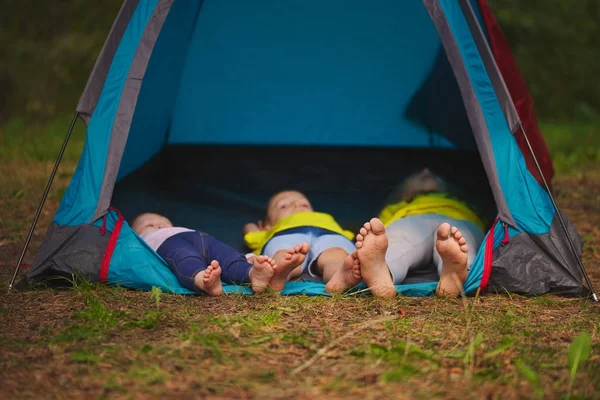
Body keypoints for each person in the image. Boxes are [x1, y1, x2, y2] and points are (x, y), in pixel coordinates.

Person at [354, 168, 486, 298]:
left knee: (461, 238)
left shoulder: (465, 205)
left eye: (435, 175)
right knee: (399, 239)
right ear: (404, 192)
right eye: (417, 175)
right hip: (412, 219)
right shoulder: (395, 207)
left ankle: (456, 273)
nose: (426, 171)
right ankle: (382, 270)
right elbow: (380, 230)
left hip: (458, 220)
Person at [132, 212, 279, 296]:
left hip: (200, 237)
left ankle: (252, 274)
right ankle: (203, 280)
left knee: (226, 255)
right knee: (185, 258)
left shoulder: (181, 229)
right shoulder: (144, 241)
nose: (159, 225)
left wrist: (248, 257)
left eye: (164, 222)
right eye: (149, 225)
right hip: (167, 243)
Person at [243, 190, 361, 293]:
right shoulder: (268, 231)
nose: (296, 206)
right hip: (286, 234)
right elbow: (250, 231)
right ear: (265, 226)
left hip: (331, 234)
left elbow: (350, 235)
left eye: (304, 204)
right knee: (284, 255)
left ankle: (341, 276)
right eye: (283, 206)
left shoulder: (327, 219)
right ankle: (278, 274)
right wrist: (254, 227)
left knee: (337, 254)